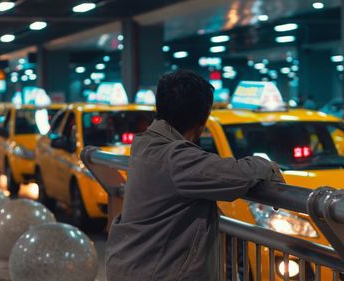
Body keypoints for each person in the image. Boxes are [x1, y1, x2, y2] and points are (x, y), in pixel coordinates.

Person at [105, 70, 285, 281]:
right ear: (204, 117)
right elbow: (236, 174)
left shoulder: (146, 144)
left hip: (134, 267)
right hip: (154, 273)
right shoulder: (175, 158)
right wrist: (268, 167)